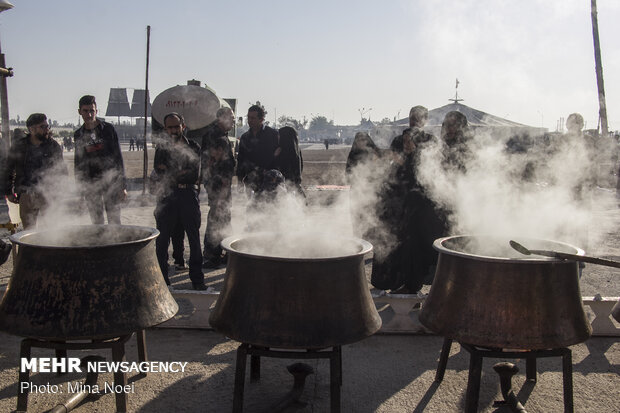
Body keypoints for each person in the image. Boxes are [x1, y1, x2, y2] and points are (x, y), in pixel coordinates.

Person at [152, 112, 206, 290]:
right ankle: (163, 281)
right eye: (170, 127)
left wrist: (170, 172)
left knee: (194, 238)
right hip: (167, 197)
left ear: (183, 125)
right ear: (165, 129)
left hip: (188, 196)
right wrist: (178, 173)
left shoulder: (194, 147)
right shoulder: (162, 149)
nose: (174, 130)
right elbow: (159, 175)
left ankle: (197, 279)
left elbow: (194, 175)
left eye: (177, 126)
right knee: (162, 240)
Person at [4, 113, 67, 229]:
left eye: (47, 126)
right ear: (32, 129)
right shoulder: (20, 146)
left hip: (48, 193)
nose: (46, 130)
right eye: (42, 127)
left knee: (51, 230)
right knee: (29, 232)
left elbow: (62, 171)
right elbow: (8, 169)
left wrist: (60, 192)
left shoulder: (53, 146)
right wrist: (8, 192)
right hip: (26, 194)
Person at [74, 95, 127, 225]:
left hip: (111, 181)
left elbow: (118, 158)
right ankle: (101, 244)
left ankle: (116, 244)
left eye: (92, 110)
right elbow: (79, 163)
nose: (89, 114)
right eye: (85, 111)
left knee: (114, 219)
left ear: (96, 111)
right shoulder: (79, 134)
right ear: (80, 111)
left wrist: (122, 186)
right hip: (91, 183)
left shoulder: (108, 129)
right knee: (96, 221)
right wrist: (80, 190)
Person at [201, 107, 236, 268]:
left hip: (222, 184)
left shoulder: (221, 135)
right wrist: (220, 183)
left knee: (223, 217)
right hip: (218, 185)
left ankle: (222, 251)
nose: (234, 121)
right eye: (231, 117)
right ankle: (211, 255)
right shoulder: (214, 135)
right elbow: (213, 162)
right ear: (221, 118)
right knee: (217, 218)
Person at [236, 104, 279, 193]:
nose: (249, 121)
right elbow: (241, 160)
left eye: (253, 118)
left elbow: (278, 157)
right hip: (251, 182)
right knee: (252, 206)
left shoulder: (272, 135)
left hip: (269, 181)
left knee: (268, 206)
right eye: (248, 118)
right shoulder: (245, 137)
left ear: (261, 119)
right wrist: (240, 181)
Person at [275, 126, 305, 197]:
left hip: (285, 187)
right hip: (296, 186)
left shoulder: (282, 151)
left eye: (279, 135)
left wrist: (275, 156)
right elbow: (301, 166)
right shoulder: (296, 150)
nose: (277, 137)